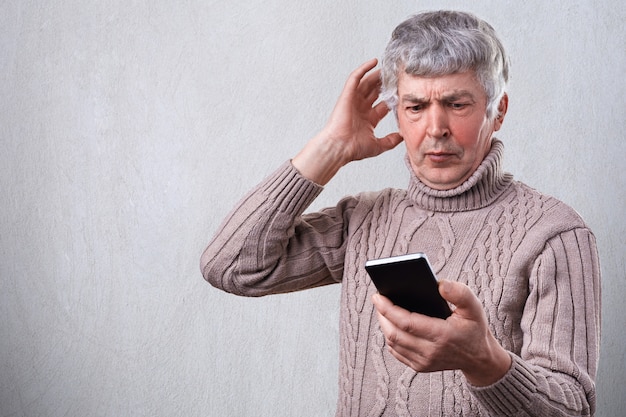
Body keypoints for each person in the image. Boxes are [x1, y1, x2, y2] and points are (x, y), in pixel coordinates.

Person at [201, 10, 601, 416]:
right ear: (396, 114)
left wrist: (485, 363)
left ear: (498, 110)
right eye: (415, 106)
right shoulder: (362, 218)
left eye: (456, 103)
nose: (435, 127)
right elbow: (230, 267)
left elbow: (574, 410)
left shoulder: (556, 234)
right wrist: (331, 147)